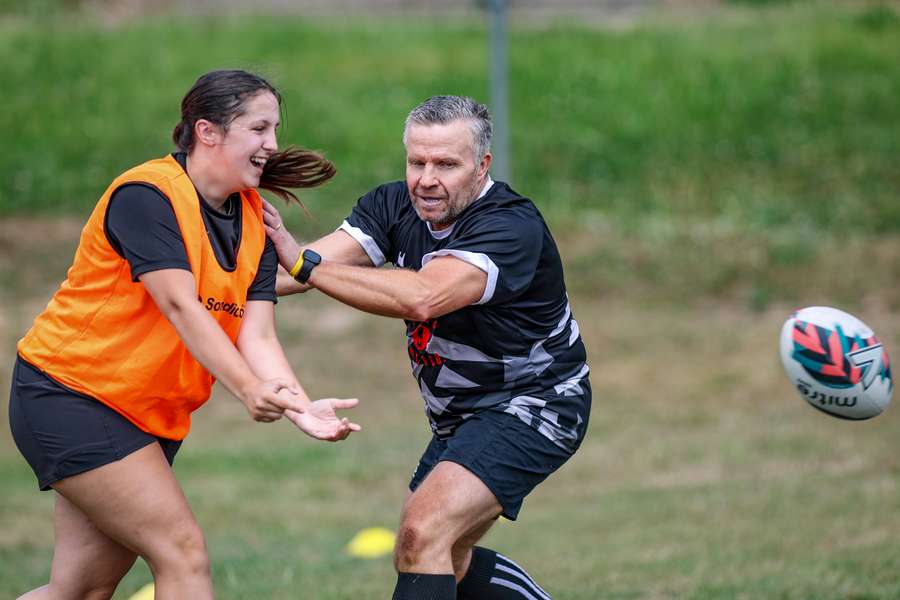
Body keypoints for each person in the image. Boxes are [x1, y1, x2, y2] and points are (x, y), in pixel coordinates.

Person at [8, 69, 360, 600]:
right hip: (73, 395)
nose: (272, 145)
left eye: (275, 130)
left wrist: (298, 407)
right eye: (259, 129)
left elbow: (257, 335)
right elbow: (180, 305)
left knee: (79, 590)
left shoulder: (253, 218)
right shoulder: (146, 196)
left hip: (143, 413)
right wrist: (247, 390)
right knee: (184, 554)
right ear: (208, 131)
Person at [264, 95, 591, 600]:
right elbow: (301, 269)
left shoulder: (510, 226)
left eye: (446, 164)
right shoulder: (395, 206)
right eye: (417, 162)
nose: (426, 179)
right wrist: (198, 278)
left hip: (537, 402)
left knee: (424, 533)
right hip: (462, 416)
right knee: (439, 555)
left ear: (482, 166)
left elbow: (424, 297)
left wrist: (302, 265)